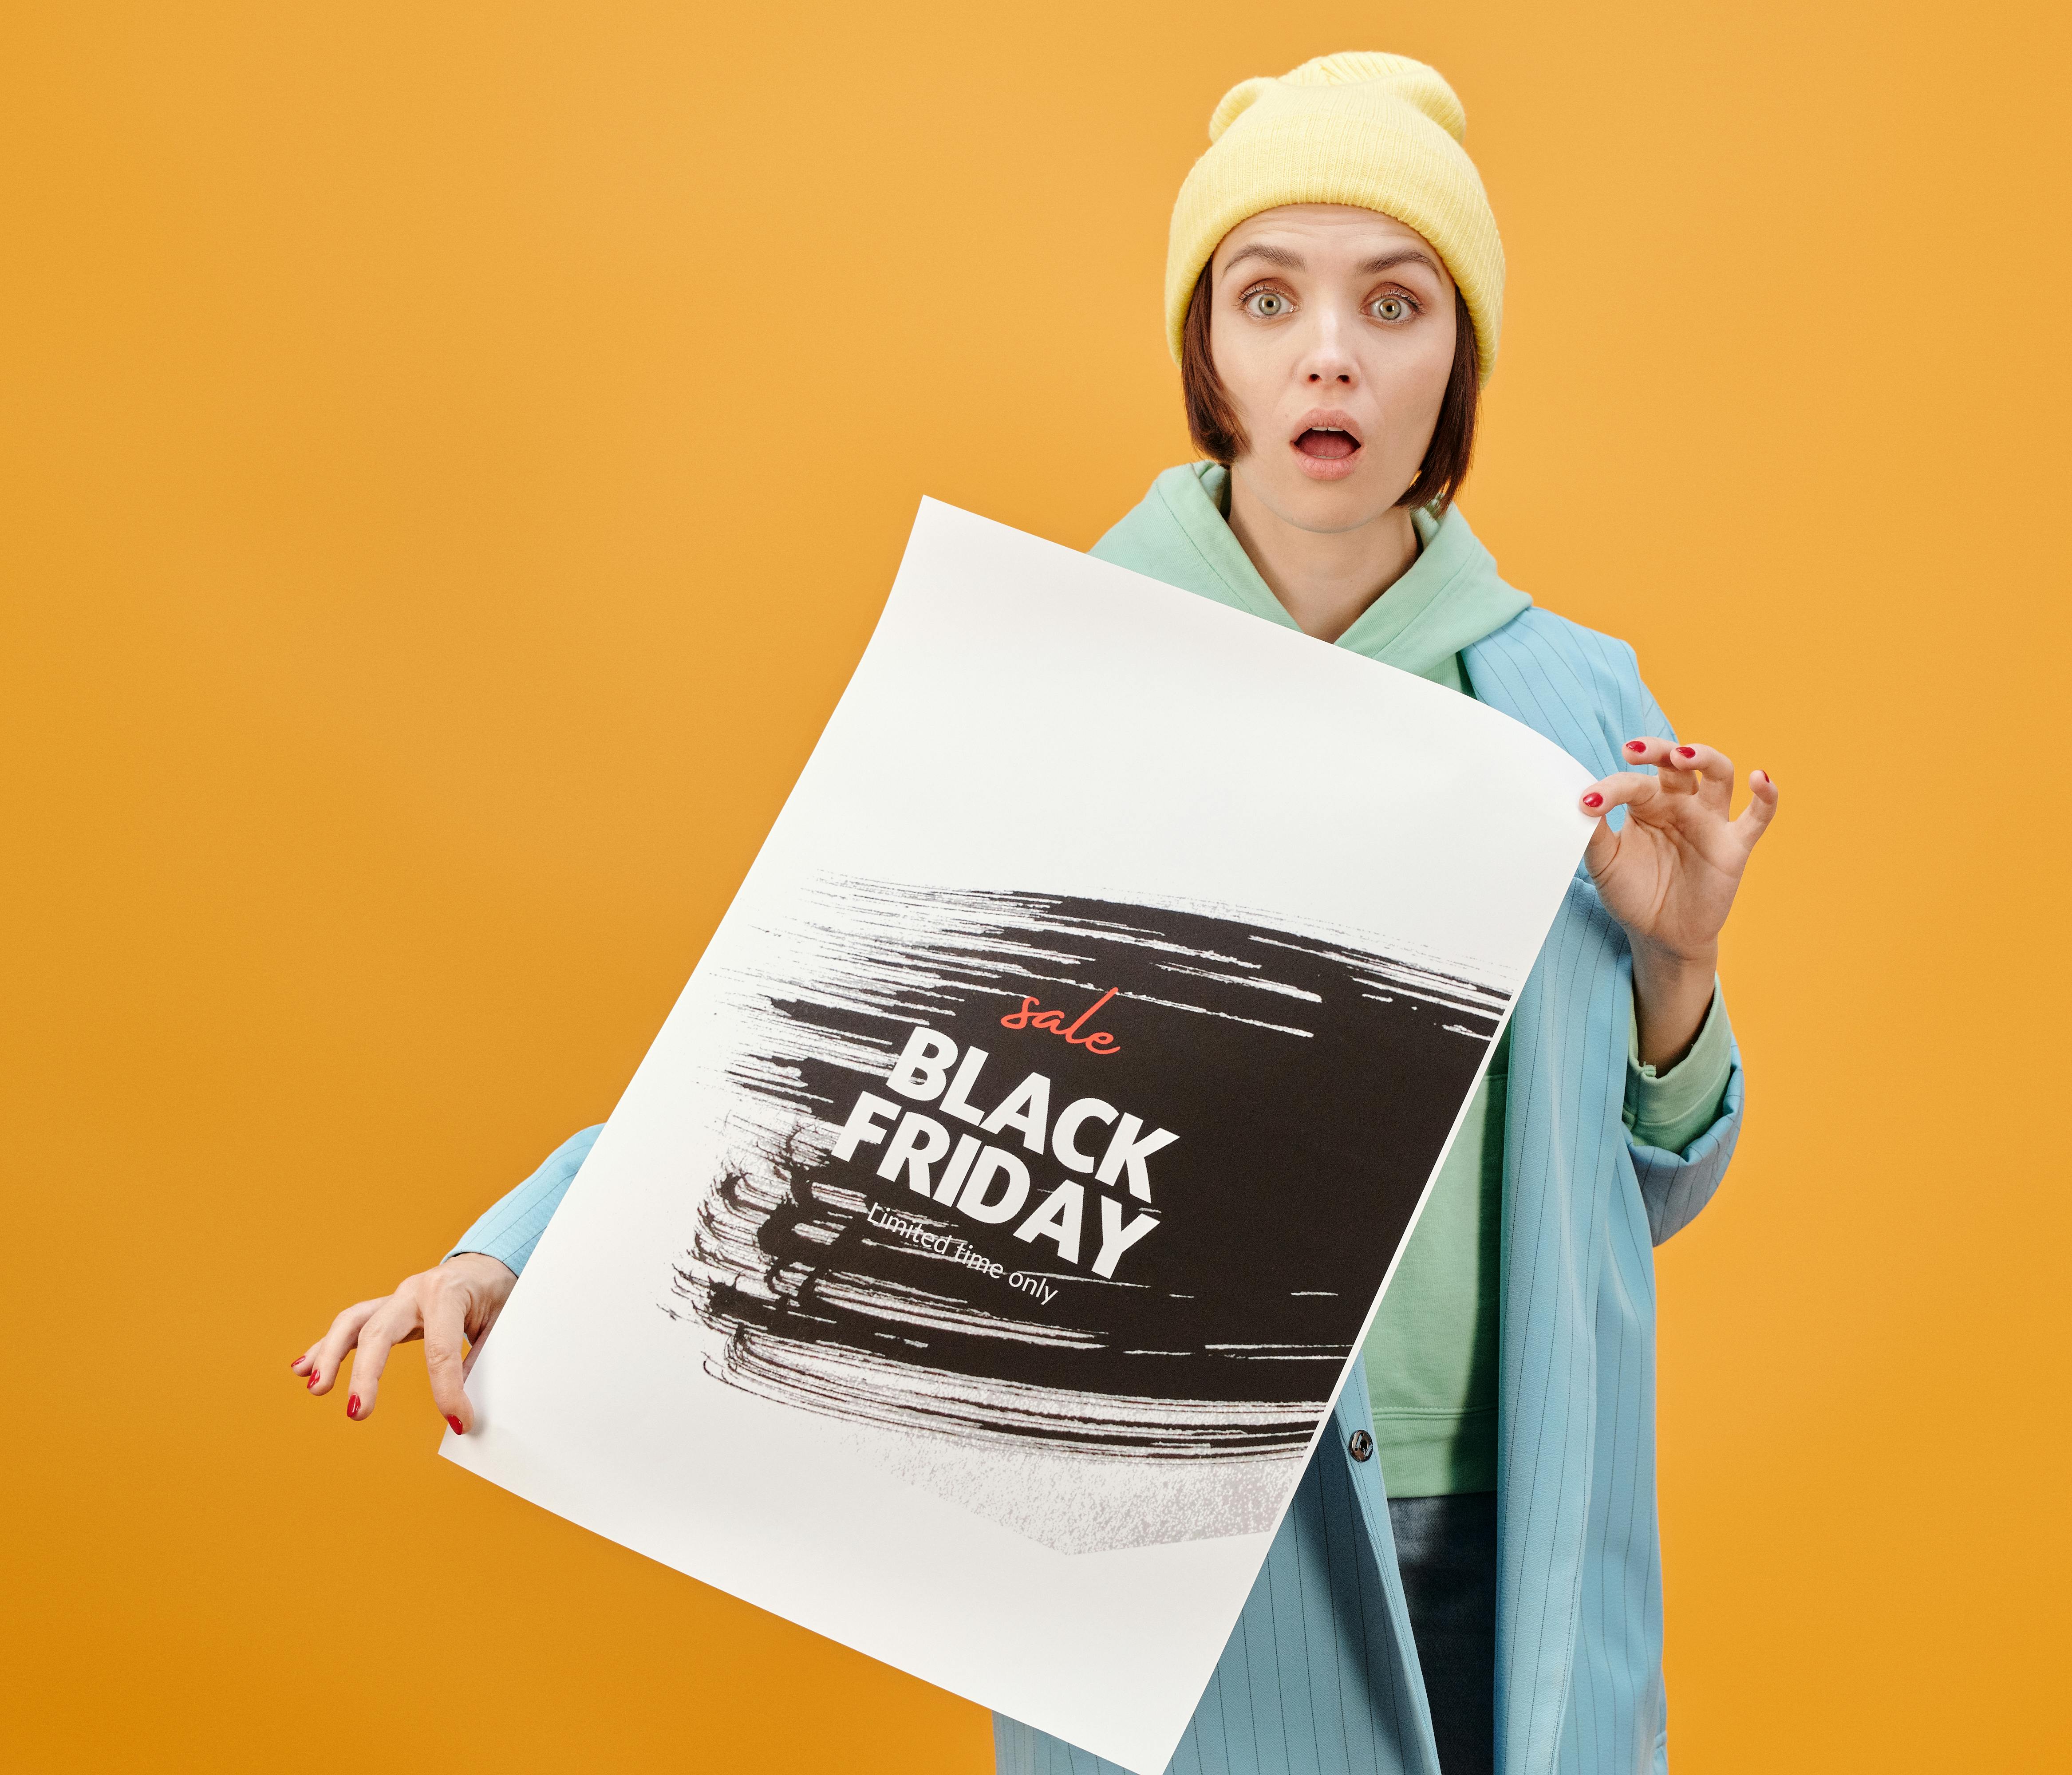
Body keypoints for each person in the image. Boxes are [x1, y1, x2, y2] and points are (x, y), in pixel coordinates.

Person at [294, 51, 1775, 1775]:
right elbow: (844, 1063)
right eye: (1268, 293)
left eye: (1395, 302)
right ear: (1206, 348)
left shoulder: (1570, 707)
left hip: (1524, 1518)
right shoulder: (1056, 669)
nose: (1330, 352)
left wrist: (1677, 973)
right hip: (1202, 1550)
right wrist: (514, 1247)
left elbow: (1634, 1199)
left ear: (1459, 356)